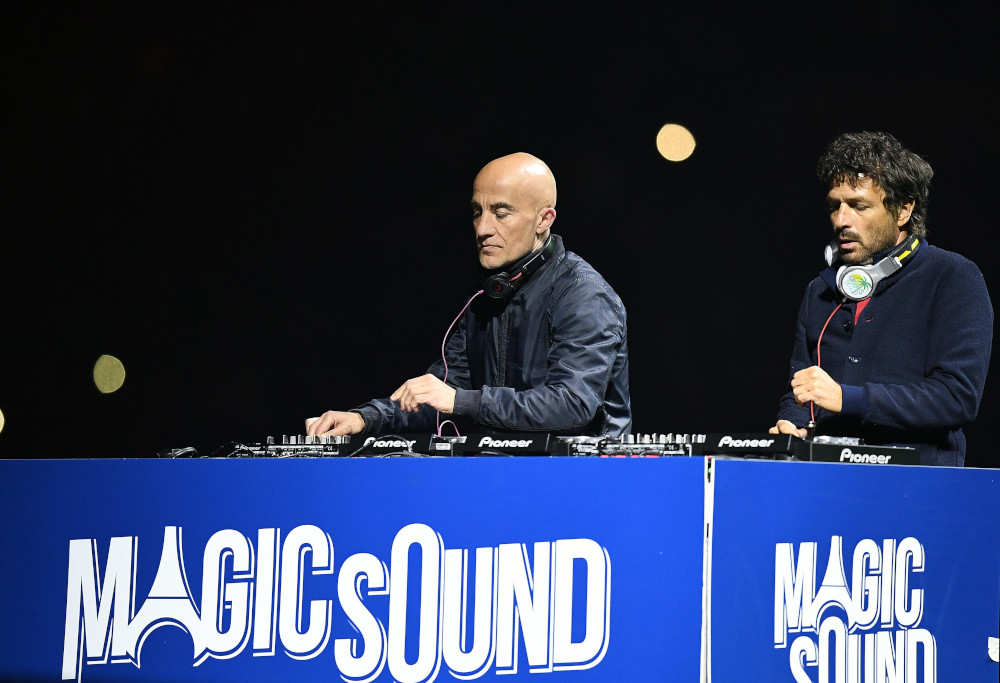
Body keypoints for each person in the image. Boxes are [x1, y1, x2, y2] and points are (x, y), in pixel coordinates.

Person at [305, 152, 631, 439]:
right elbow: (439, 392)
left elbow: (572, 404)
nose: (482, 228)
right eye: (478, 212)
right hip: (501, 478)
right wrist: (365, 418)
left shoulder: (583, 294)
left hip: (581, 484)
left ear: (544, 219)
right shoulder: (487, 298)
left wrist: (461, 401)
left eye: (501, 213)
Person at [771, 131, 993, 466]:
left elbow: (957, 398)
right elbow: (802, 390)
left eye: (859, 206)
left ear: (903, 209)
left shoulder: (953, 278)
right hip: (826, 481)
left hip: (916, 486)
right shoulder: (820, 291)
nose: (842, 220)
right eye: (835, 206)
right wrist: (792, 425)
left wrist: (849, 398)